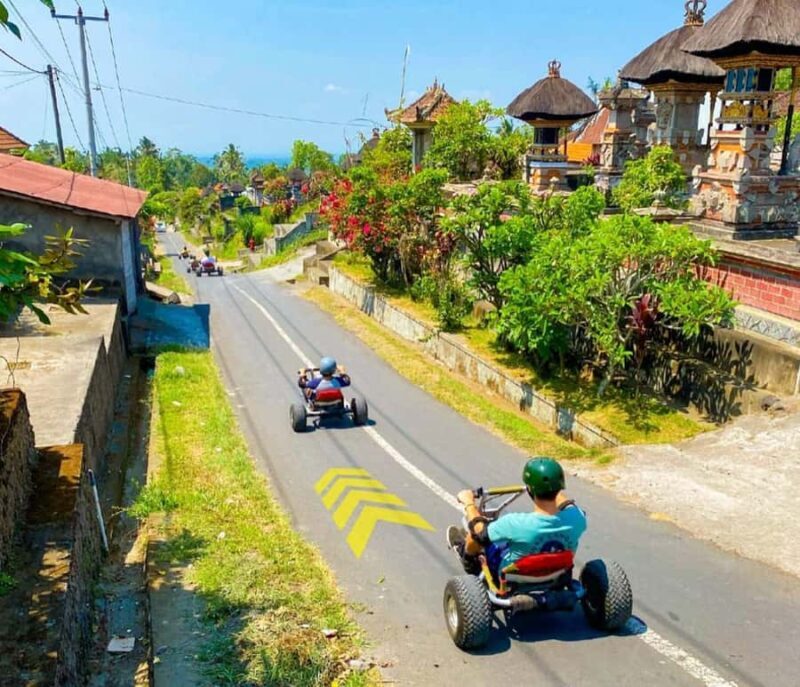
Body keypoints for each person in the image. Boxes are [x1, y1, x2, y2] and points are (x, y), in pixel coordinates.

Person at [450, 457, 586, 577]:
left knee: (475, 536)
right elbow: (568, 503)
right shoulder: (577, 518)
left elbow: (480, 532)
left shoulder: (515, 523)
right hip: (557, 572)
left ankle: (466, 558)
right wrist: (551, 484)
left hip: (515, 578)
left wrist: (469, 502)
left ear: (530, 489)